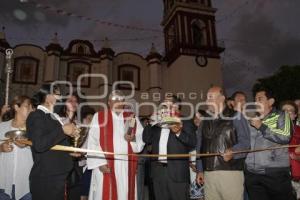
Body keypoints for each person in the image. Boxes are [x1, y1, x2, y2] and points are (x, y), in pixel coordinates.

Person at [87, 90, 145, 200]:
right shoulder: (99, 117)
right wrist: (100, 163)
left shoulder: (132, 118)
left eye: (121, 99)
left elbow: (140, 139)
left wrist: (132, 140)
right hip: (106, 165)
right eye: (115, 99)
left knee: (125, 194)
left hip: (126, 166)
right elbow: (93, 141)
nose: (118, 102)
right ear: (109, 102)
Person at [196, 86, 250, 200]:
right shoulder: (204, 121)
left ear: (221, 98)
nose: (206, 101)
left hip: (230, 173)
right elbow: (199, 146)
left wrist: (233, 152)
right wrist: (200, 170)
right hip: (208, 175)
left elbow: (245, 143)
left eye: (210, 97)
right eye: (206, 98)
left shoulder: (237, 116)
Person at [26, 83, 79, 200]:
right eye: (58, 94)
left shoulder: (53, 117)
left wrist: (70, 152)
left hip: (57, 177)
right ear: (47, 96)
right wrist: (63, 130)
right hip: (46, 178)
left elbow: (55, 144)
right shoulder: (37, 115)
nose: (60, 98)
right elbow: (39, 145)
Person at [143, 95, 196, 200]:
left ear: (176, 107)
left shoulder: (186, 122)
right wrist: (151, 121)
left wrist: (179, 132)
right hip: (158, 173)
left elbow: (193, 143)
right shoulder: (157, 124)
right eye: (163, 105)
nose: (163, 107)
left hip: (177, 174)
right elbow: (146, 139)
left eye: (167, 104)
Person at [245, 88, 294, 200]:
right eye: (255, 99)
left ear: (271, 101)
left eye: (260, 99)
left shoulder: (282, 115)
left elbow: (285, 136)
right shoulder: (251, 119)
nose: (256, 102)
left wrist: (261, 126)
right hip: (252, 175)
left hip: (275, 173)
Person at [0, 96, 33, 200]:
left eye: (32, 107)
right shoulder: (2, 126)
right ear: (16, 107)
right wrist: (1, 148)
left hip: (26, 184)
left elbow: (41, 150)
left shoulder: (34, 128)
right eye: (27, 106)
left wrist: (27, 144)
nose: (31, 110)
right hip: (4, 183)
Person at [281, 100, 300, 199]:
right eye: (284, 111)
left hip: (296, 177)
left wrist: (297, 157)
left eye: (291, 111)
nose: (287, 113)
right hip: (277, 176)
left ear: (295, 115)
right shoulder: (271, 131)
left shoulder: (299, 131)